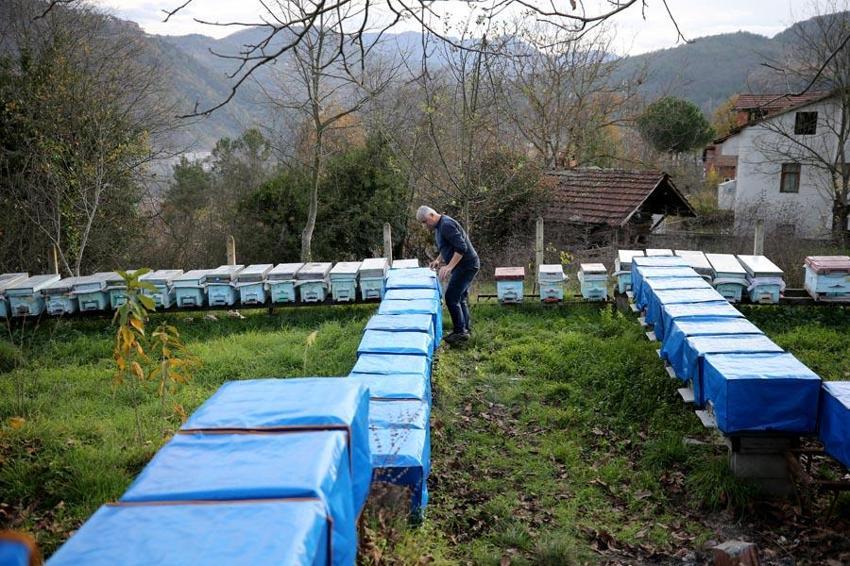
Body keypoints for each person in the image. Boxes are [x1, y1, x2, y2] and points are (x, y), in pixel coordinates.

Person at [416, 205, 480, 344]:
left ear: (432, 215)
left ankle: (460, 332)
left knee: (451, 297)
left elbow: (461, 247)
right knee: (460, 297)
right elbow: (447, 246)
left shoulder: (446, 225)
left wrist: (449, 266)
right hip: (464, 265)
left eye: (425, 222)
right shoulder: (439, 227)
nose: (425, 226)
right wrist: (438, 260)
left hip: (467, 265)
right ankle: (465, 329)